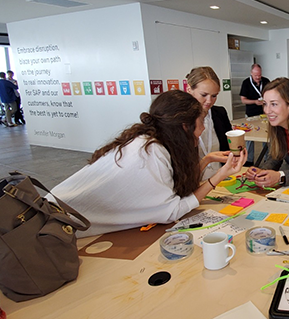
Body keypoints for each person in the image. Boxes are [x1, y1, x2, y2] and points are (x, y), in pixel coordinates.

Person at [51, 90, 247, 237]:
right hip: (54, 227)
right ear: (184, 127)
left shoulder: (152, 142)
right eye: (201, 122)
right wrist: (220, 175)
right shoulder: (150, 153)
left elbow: (174, 188)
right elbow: (171, 210)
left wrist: (206, 160)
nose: (203, 129)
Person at [186, 66, 233, 181]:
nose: (209, 101)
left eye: (214, 96)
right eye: (204, 95)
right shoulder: (180, 120)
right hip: (193, 183)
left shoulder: (220, 113)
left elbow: (228, 147)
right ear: (189, 90)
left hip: (220, 180)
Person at [239, 63, 270, 164]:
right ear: (251, 73)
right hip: (250, 115)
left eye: (259, 75)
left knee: (266, 137)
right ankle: (249, 160)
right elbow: (243, 100)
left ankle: (267, 160)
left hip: (265, 114)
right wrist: (255, 102)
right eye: (256, 75)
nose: (258, 77)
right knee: (249, 139)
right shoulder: (246, 83)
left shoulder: (266, 81)